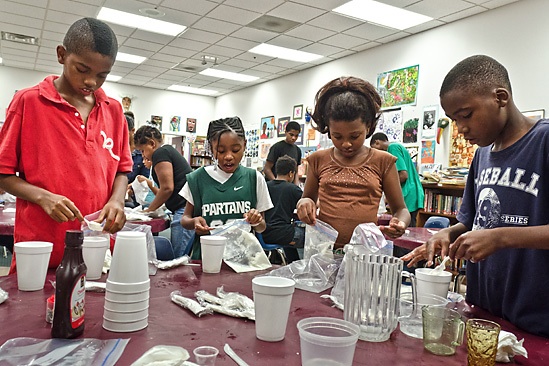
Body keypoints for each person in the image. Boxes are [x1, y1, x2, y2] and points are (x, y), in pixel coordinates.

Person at [403, 55, 549, 338]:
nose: (461, 128)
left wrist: (500, 238)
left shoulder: (543, 142)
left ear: (501, 98)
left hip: (537, 321)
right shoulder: (482, 155)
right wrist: (447, 235)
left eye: (466, 115)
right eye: (454, 120)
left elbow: (494, 234)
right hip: (485, 311)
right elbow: (472, 223)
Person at [0, 18, 132, 269]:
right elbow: (3, 173)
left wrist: (117, 200)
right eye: (82, 70)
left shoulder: (113, 111)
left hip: (97, 251)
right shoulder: (28, 102)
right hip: (41, 250)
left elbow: (122, 170)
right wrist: (43, 197)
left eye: (102, 75)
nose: (91, 81)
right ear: (62, 55)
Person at [297, 76, 410, 248]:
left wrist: (400, 223)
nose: (346, 144)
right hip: (325, 250)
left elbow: (401, 210)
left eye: (354, 136)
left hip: (364, 252)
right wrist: (304, 204)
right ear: (328, 130)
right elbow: (307, 199)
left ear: (369, 126)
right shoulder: (318, 160)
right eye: (337, 136)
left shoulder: (383, 161)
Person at [179, 117, 273, 259]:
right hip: (207, 258)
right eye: (221, 151)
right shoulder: (197, 179)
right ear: (211, 148)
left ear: (245, 145)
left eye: (235, 150)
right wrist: (194, 222)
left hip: (245, 260)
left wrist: (257, 220)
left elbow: (262, 227)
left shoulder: (254, 178)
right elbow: (185, 219)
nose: (228, 156)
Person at [134, 125, 194, 257]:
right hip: (182, 207)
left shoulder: (160, 153)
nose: (143, 155)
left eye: (143, 151)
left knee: (179, 258)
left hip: (184, 209)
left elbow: (167, 188)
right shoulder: (167, 152)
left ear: (152, 143)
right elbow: (164, 191)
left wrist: (148, 211)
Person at [370, 132, 424, 227]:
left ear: (377, 142)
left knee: (405, 230)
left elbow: (403, 175)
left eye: (374, 149)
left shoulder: (393, 147)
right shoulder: (398, 146)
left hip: (408, 193)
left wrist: (386, 187)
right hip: (413, 192)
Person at [262, 155, 304, 263]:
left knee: (290, 230)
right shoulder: (293, 189)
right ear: (291, 173)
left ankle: (291, 262)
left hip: (263, 234)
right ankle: (301, 267)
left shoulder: (265, 186)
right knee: (309, 237)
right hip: (283, 235)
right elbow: (310, 205)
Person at [125, 112, 150, 208]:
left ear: (132, 131)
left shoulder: (142, 152)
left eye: (124, 131)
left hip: (135, 199)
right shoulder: (112, 150)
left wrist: (132, 186)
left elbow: (145, 179)